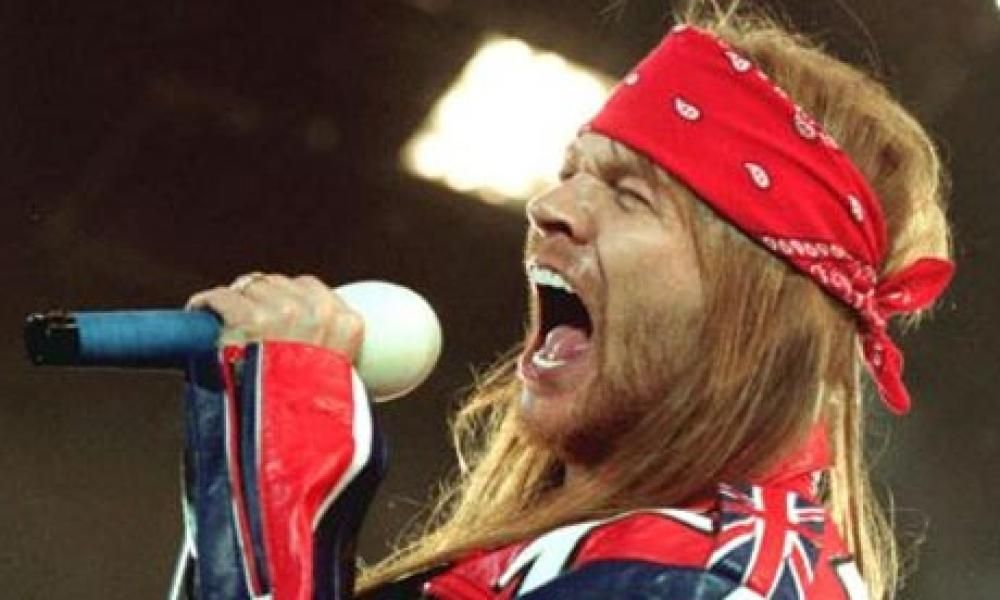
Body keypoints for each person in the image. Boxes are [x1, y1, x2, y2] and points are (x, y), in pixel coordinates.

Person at [176, 3, 954, 599]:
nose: (549, 206)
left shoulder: (717, 585)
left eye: (629, 194)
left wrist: (278, 458)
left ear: (751, 297)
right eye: (573, 171)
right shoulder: (633, 558)